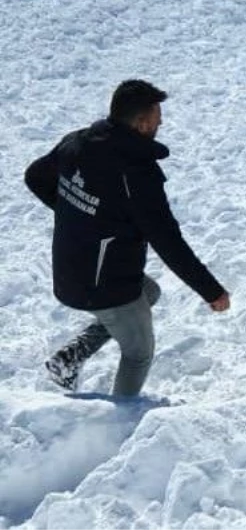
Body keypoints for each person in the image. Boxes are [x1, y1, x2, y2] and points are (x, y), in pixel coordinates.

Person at [24, 80, 230, 395]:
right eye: (157, 119)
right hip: (103, 284)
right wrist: (211, 291)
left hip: (71, 267)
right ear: (141, 122)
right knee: (138, 354)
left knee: (149, 291)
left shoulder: (77, 142)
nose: (160, 124)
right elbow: (168, 242)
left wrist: (79, 214)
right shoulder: (136, 175)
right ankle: (119, 421)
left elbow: (35, 176)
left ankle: (70, 357)